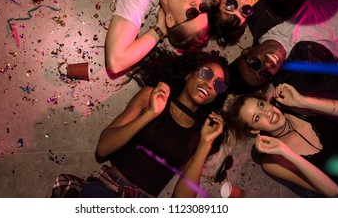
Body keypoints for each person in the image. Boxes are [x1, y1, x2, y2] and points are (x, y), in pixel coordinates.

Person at [53, 48, 229, 198]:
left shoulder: (203, 133)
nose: (210, 84)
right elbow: (103, 148)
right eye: (206, 74)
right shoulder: (151, 96)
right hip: (108, 189)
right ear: (189, 74)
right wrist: (150, 114)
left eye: (218, 85)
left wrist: (206, 143)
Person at [222, 83, 338, 197]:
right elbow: (333, 191)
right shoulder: (272, 162)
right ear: (254, 130)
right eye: (257, 118)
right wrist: (285, 151)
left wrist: (303, 101)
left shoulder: (296, 108)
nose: (268, 113)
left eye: (261, 105)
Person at [227, 0, 338, 95]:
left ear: (246, 50)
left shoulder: (260, 15)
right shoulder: (304, 72)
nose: (267, 65)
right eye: (265, 75)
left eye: (255, 63)